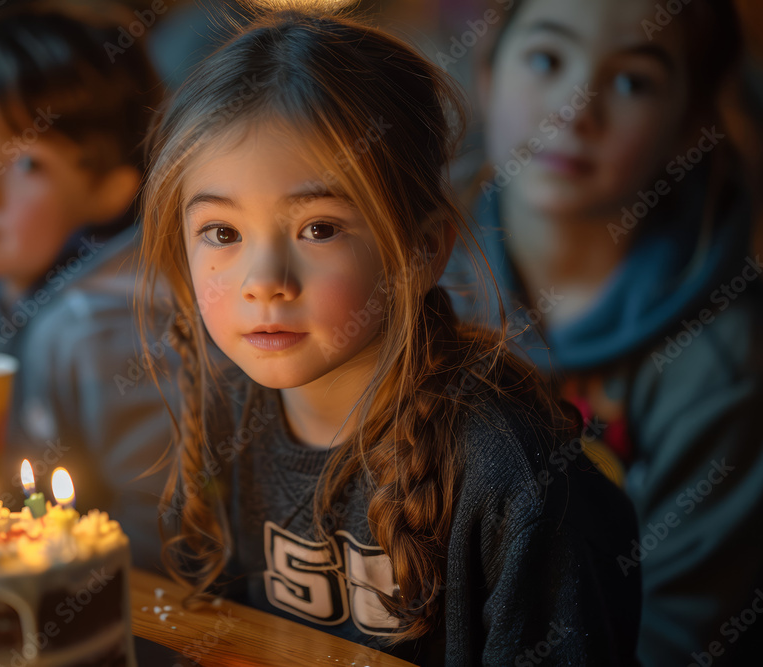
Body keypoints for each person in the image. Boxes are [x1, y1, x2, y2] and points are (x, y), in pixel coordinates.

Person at [137, 7, 641, 665]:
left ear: (422, 249)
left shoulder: (513, 477)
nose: (264, 282)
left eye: (318, 228)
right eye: (223, 233)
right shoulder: (231, 412)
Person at [445, 0, 763, 663]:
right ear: (487, 72)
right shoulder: (406, 266)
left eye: (631, 82)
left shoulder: (723, 358)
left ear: (689, 124)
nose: (575, 111)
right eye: (546, 59)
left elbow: (681, 633)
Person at [0, 3, 175, 568]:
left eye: (27, 164)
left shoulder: (101, 326)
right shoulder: (0, 298)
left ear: (111, 189)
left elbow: (163, 529)